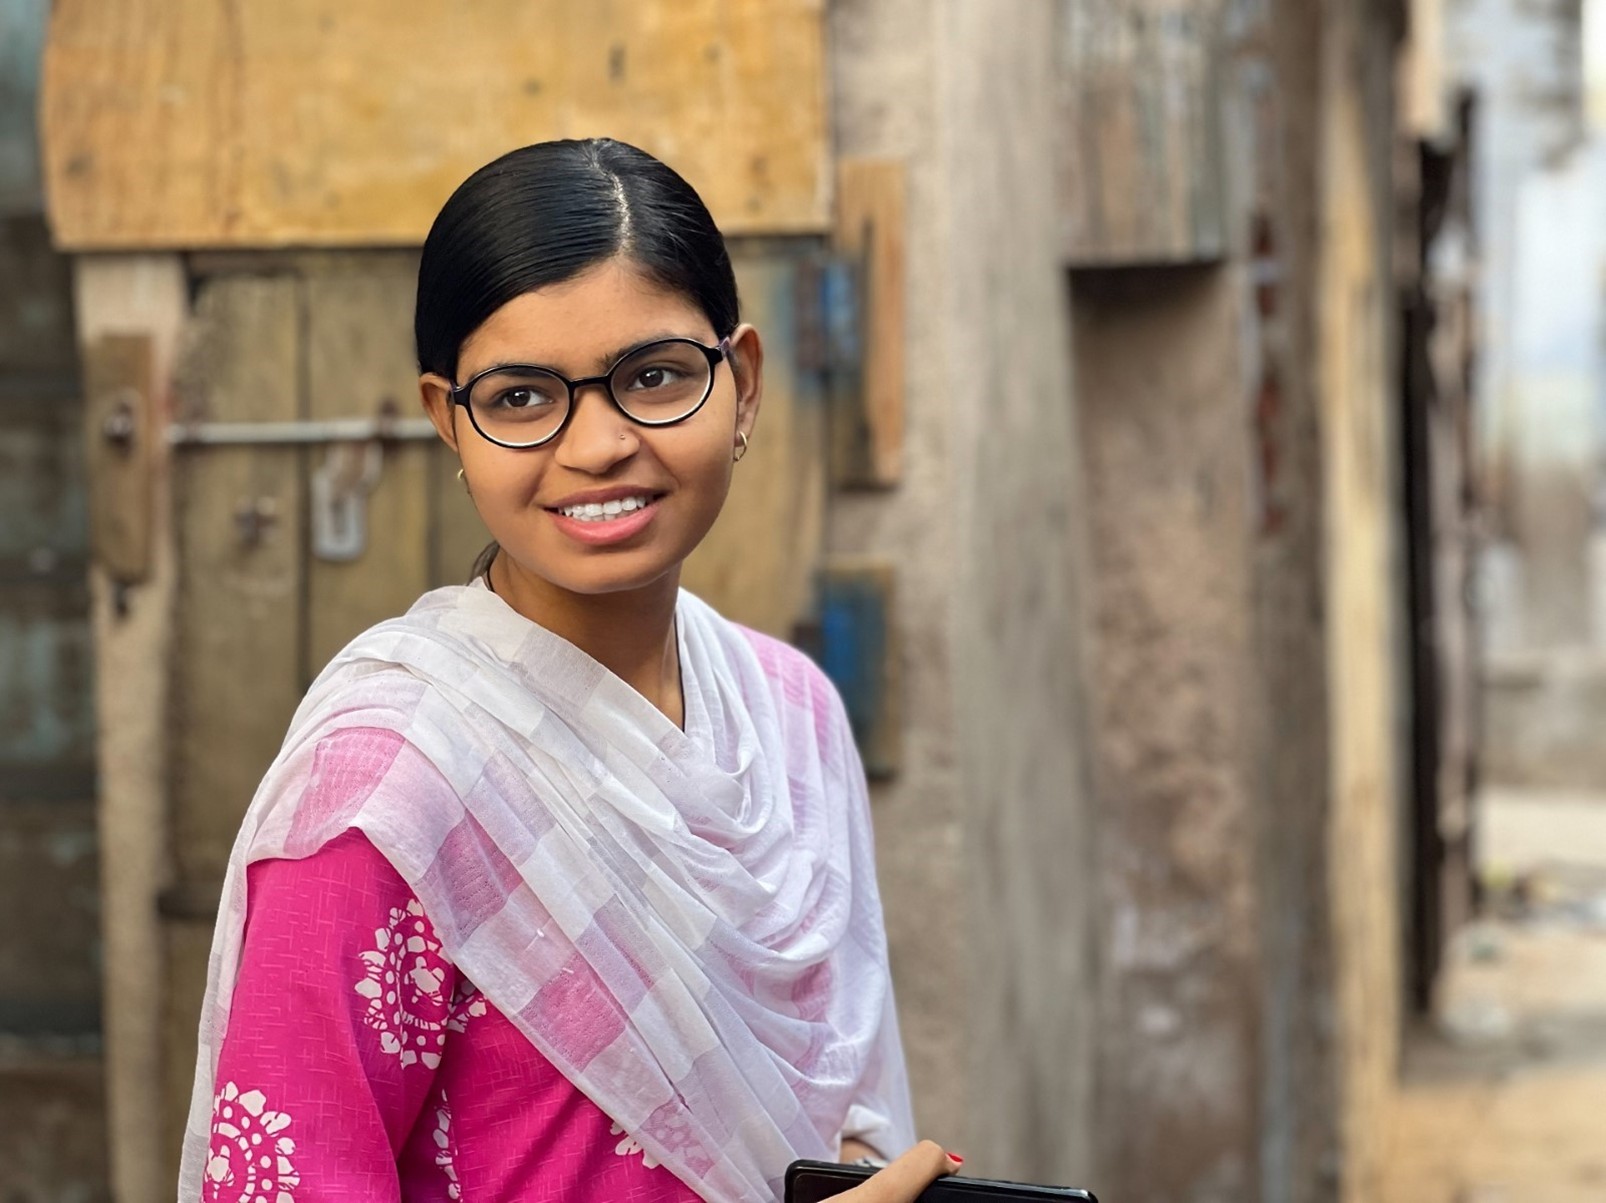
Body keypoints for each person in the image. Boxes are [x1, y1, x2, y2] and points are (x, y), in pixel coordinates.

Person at [178, 138, 958, 1203]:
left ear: (744, 384)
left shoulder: (793, 718)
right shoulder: (381, 799)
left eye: (654, 378)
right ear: (446, 419)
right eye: (520, 398)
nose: (597, 445)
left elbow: (840, 1130)